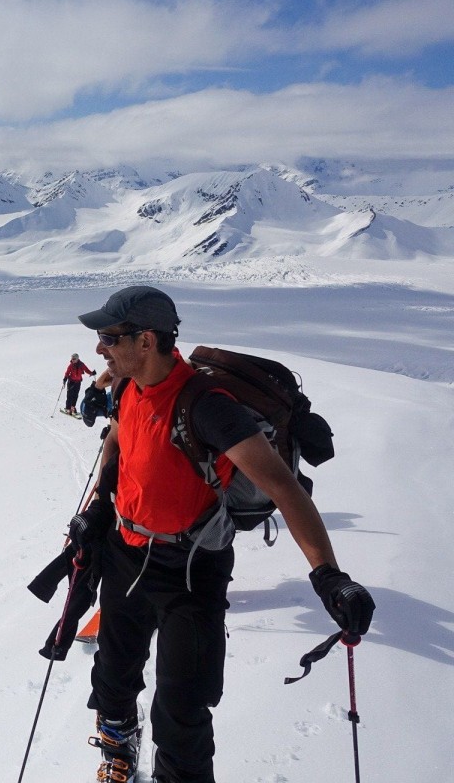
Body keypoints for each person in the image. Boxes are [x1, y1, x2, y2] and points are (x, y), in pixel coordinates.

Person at [66, 285, 374, 783]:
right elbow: (117, 448)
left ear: (146, 340)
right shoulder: (128, 388)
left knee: (183, 712)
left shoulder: (207, 406)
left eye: (108, 336)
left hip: (191, 570)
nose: (100, 347)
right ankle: (118, 749)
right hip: (126, 554)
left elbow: (285, 487)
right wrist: (99, 506)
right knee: (113, 679)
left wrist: (328, 576)